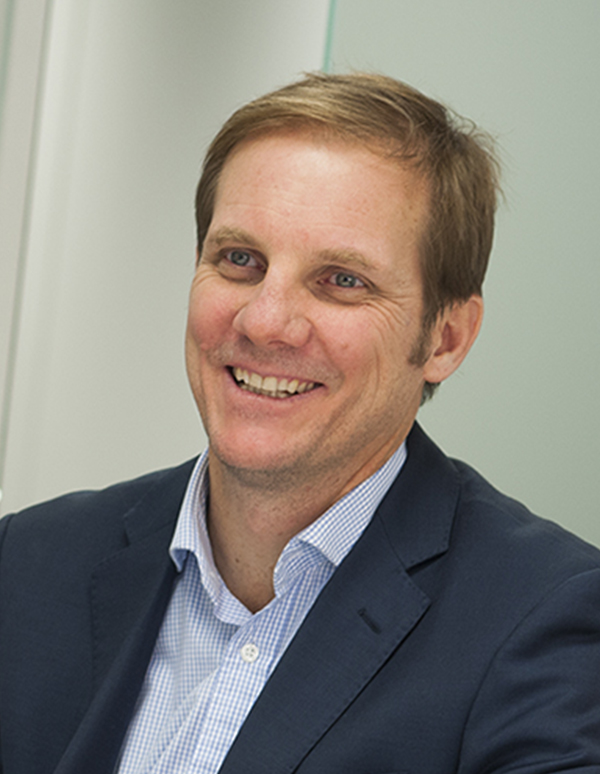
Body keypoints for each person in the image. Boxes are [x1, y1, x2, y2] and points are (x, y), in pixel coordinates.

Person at [0, 72, 599, 774]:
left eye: (342, 280)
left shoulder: (544, 620)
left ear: (446, 338)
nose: (265, 321)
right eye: (240, 260)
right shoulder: (26, 563)